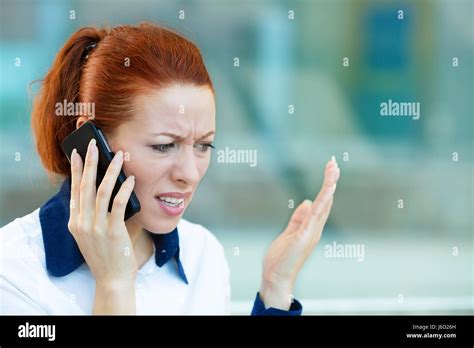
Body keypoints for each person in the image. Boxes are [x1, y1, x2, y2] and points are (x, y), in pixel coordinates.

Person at [0, 22, 340, 315]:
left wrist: (275, 287)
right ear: (92, 140)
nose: (189, 174)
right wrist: (115, 285)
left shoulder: (202, 254)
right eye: (164, 145)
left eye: (203, 145)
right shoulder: (14, 268)